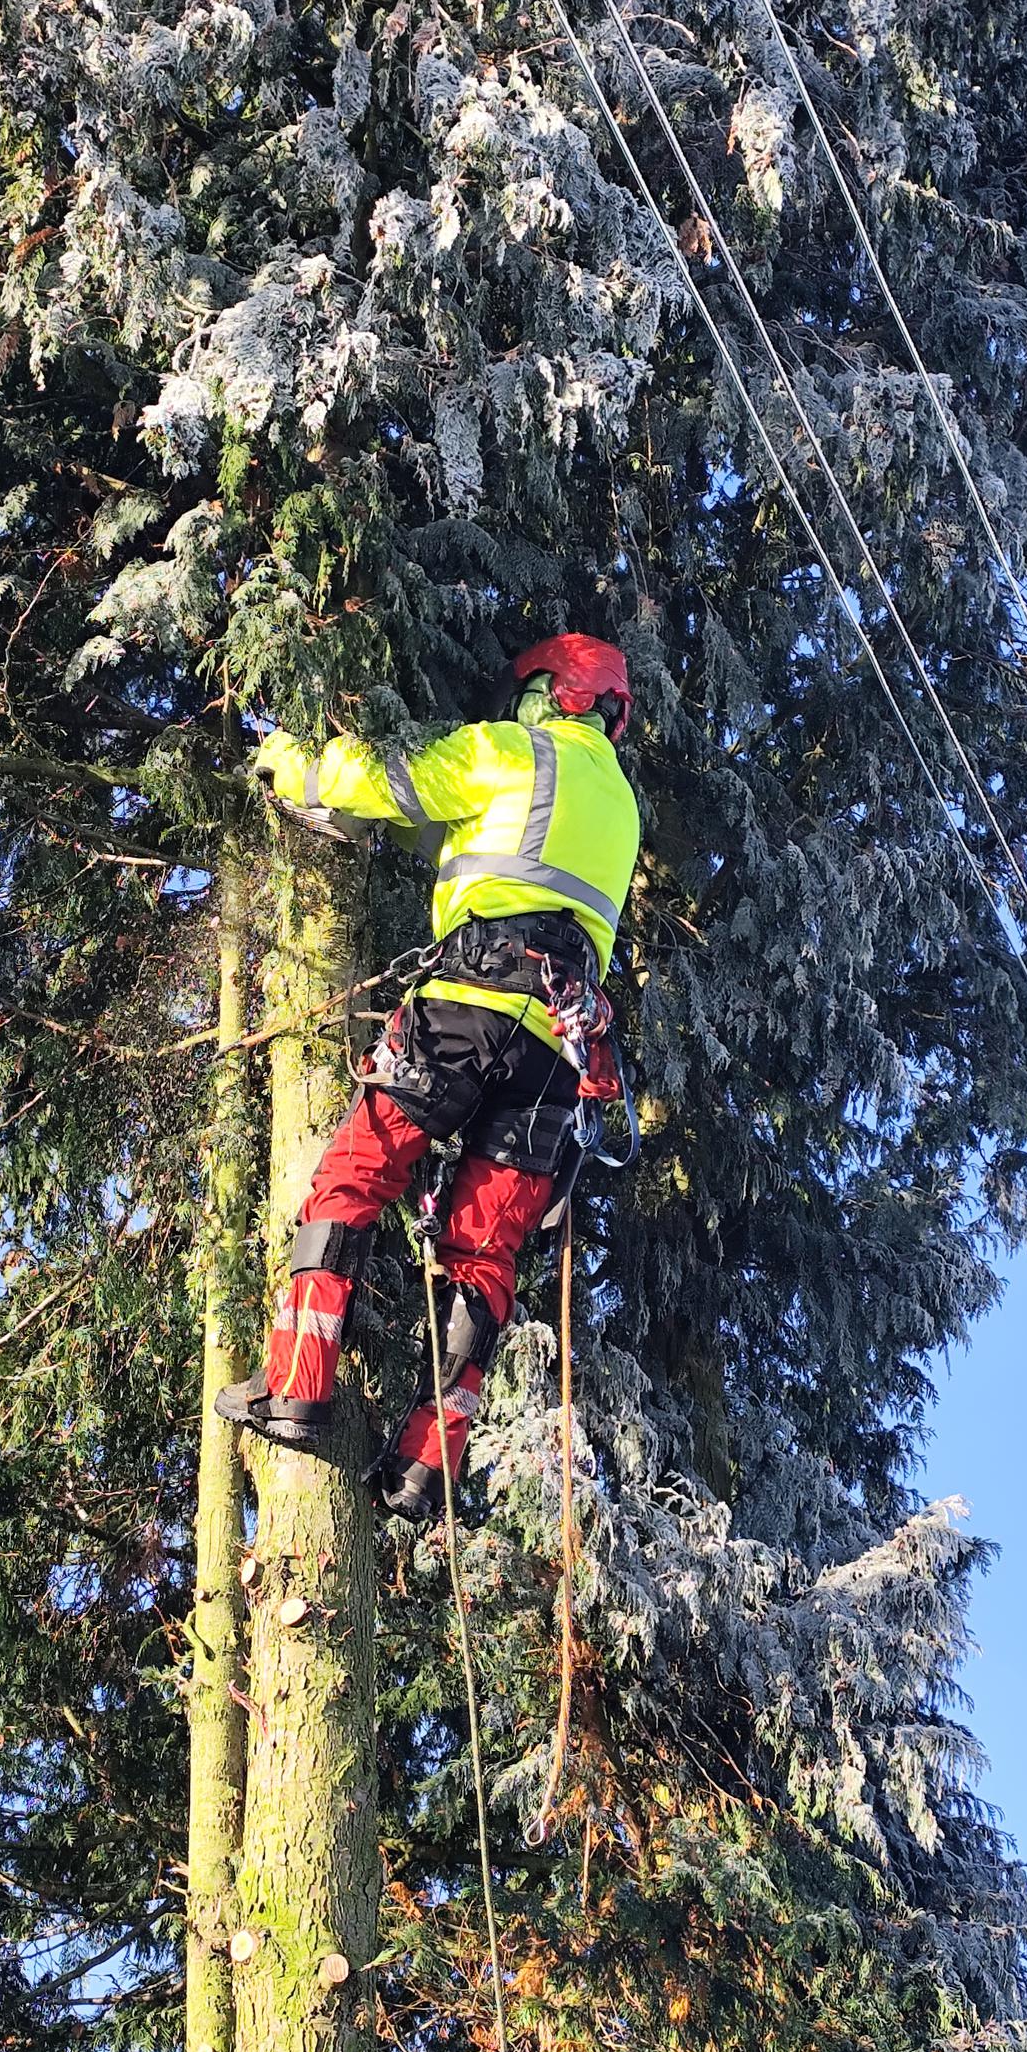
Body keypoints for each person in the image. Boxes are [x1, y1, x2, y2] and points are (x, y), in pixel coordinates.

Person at [218, 634, 642, 1520]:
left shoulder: (507, 752)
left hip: (465, 1008)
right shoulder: (620, 806)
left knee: (356, 1174)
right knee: (483, 1252)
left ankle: (298, 1387)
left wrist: (288, 757)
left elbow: (385, 781)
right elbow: (479, 844)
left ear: (548, 693)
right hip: (556, 1057)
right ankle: (424, 1466)